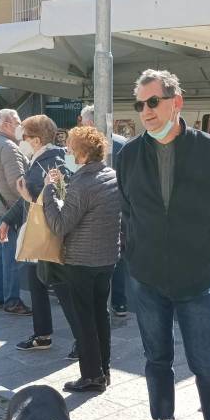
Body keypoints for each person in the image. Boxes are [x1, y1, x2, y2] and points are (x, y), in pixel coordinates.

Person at [116, 69, 210, 420]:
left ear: (176, 102)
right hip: (147, 277)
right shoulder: (131, 154)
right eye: (140, 104)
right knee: (157, 360)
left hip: (195, 279)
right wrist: (135, 253)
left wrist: (202, 252)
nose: (147, 112)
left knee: (205, 363)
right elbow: (127, 210)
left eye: (154, 102)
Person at [42, 126, 121, 392]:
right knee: (101, 315)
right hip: (106, 258)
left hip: (81, 261)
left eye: (70, 149)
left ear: (82, 153)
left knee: (85, 320)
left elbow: (60, 225)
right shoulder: (111, 175)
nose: (68, 153)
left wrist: (49, 193)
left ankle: (91, 376)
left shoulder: (82, 183)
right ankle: (104, 370)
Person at [0, 115, 75, 351]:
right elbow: (27, 199)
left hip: (48, 234)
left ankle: (81, 340)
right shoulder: (45, 158)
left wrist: (28, 200)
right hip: (40, 233)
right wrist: (8, 220)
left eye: (25, 137)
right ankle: (42, 335)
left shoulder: (48, 163)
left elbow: (54, 197)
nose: (21, 141)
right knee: (38, 284)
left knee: (61, 289)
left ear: (37, 140)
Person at [79, 104, 129, 317]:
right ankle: (119, 302)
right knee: (118, 256)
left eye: (82, 122)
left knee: (96, 258)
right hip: (121, 207)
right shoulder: (123, 143)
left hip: (95, 209)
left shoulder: (85, 148)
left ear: (89, 122)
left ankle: (97, 302)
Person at [0, 108, 31, 315]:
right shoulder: (9, 147)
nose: (21, 126)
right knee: (12, 257)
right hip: (8, 209)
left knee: (0, 255)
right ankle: (12, 300)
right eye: (17, 122)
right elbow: (18, 184)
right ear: (6, 124)